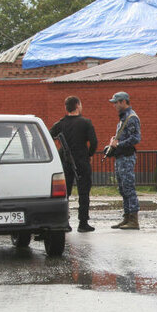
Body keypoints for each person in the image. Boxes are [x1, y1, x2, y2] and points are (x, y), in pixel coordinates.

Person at [49, 96, 98, 233]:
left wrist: (58, 152)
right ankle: (83, 223)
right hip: (82, 161)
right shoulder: (86, 123)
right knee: (84, 193)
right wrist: (89, 154)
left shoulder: (60, 124)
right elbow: (94, 142)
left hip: (65, 162)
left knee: (65, 193)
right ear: (77, 105)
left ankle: (64, 221)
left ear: (66, 108)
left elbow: (48, 136)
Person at [107, 91, 141, 230]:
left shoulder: (131, 117)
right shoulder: (123, 118)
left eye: (116, 102)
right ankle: (127, 217)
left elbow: (136, 138)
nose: (114, 105)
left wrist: (119, 144)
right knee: (122, 188)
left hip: (127, 157)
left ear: (123, 101)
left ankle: (133, 219)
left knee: (128, 187)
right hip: (120, 156)